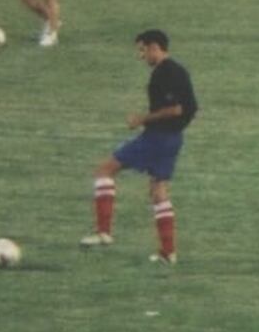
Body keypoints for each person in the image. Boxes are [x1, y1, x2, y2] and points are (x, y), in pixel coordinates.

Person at [81, 29, 197, 264]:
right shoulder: (180, 70)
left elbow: (175, 108)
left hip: (157, 137)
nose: (141, 56)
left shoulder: (165, 73)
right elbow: (191, 107)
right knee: (158, 192)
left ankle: (103, 232)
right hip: (174, 138)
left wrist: (142, 119)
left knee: (105, 170)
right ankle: (168, 253)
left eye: (143, 50)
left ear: (155, 47)